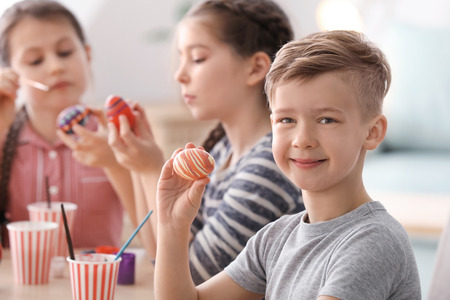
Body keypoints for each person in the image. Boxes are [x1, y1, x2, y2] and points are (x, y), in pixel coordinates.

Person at [153, 30, 422, 299]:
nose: (302, 140)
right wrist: (172, 226)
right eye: (287, 120)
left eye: (327, 120)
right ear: (273, 125)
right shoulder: (274, 238)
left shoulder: (374, 243)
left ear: (372, 132)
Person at [108, 0, 304, 284]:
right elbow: (160, 255)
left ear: (255, 67)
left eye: (197, 58)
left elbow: (193, 276)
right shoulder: (222, 152)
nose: (180, 75)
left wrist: (152, 168)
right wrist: (139, 166)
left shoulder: (269, 164)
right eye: (181, 58)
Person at [0, 0, 136, 248]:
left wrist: (115, 163)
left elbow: (152, 226)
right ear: (10, 74)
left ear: (87, 54)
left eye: (65, 53)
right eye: (35, 61)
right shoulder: (4, 137)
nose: (56, 67)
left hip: (97, 287)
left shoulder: (117, 137)